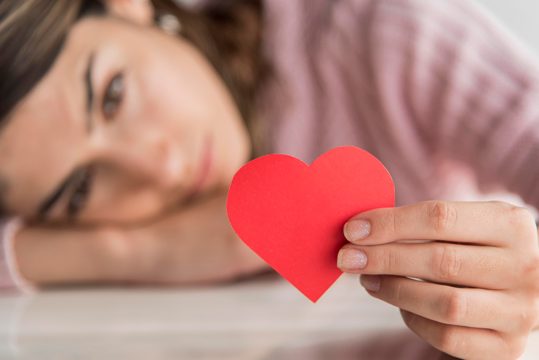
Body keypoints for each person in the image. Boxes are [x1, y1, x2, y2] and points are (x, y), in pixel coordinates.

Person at [1, 0, 539, 358]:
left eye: (113, 96)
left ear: (129, 6)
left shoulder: (381, 33)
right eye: (80, 189)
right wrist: (142, 251)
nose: (160, 167)